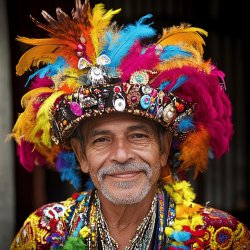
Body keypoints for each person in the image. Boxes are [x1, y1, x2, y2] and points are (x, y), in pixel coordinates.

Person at [10, 0, 250, 249]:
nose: (121, 155)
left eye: (138, 136)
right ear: (82, 156)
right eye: (101, 140)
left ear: (164, 148)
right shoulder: (44, 233)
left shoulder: (219, 237)